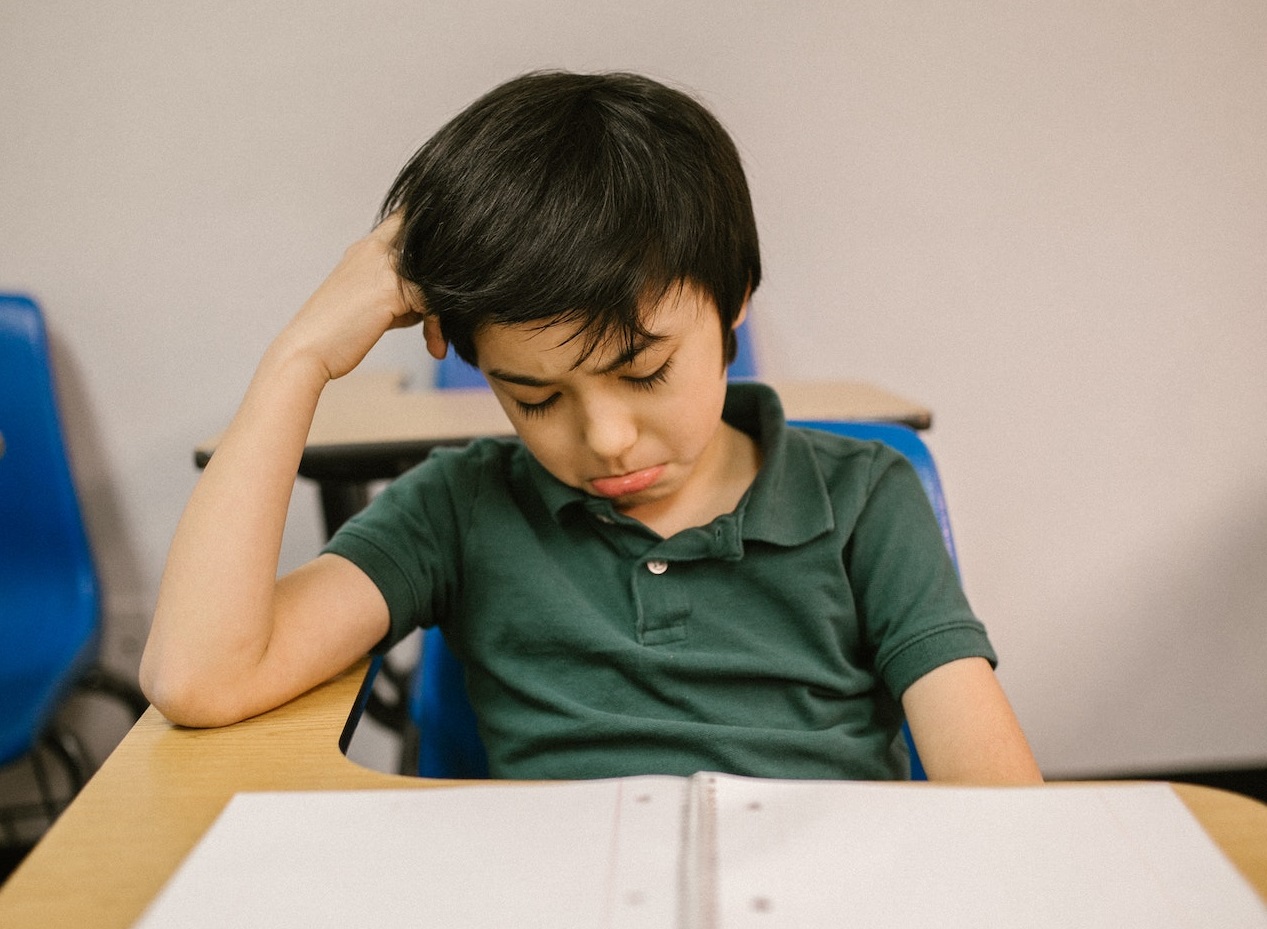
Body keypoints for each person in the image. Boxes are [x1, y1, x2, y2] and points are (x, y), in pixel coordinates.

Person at [141, 71, 1041, 784]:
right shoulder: (457, 508)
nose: (606, 438)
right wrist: (300, 356)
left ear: (733, 302)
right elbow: (199, 676)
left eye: (644, 372)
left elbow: (994, 798)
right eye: (534, 397)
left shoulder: (864, 499)